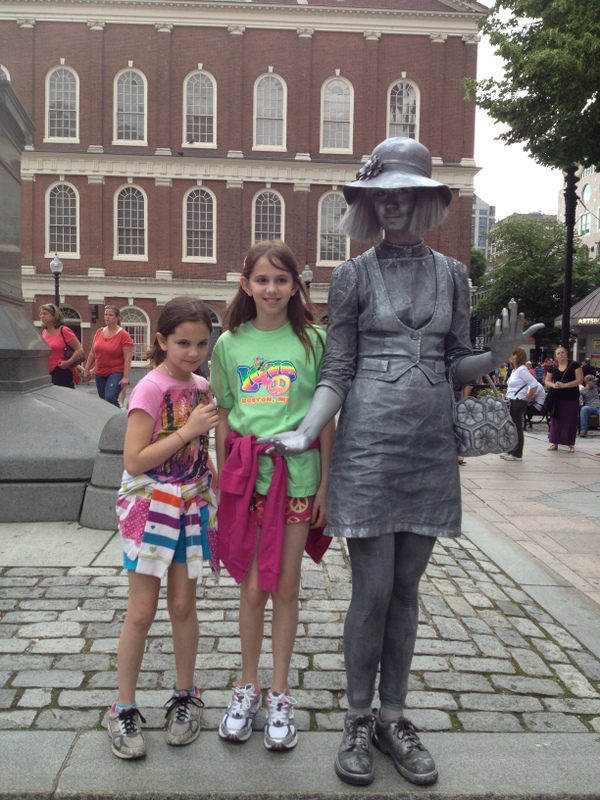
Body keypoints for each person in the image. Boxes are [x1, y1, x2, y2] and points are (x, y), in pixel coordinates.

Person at [259, 138, 542, 788]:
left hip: (429, 447)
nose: (394, 205)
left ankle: (393, 716)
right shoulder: (353, 276)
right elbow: (338, 368)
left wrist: (496, 355)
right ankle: (358, 718)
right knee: (373, 591)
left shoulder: (453, 275)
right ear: (370, 203)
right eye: (383, 195)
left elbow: (457, 364)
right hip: (367, 446)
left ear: (424, 201)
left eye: (406, 193)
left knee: (408, 590)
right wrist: (307, 430)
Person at [210, 240, 335, 752]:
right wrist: (223, 479)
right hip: (247, 479)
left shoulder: (314, 341)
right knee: (251, 587)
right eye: (262, 279)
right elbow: (223, 415)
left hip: (298, 480)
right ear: (246, 284)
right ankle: (248, 685)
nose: (271, 289)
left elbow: (326, 419)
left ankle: (280, 690)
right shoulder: (228, 344)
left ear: (295, 285)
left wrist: (325, 483)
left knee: (285, 586)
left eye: (282, 280)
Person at [109, 296, 219, 760]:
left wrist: (216, 484)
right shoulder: (150, 388)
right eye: (182, 343)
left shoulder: (202, 387)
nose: (192, 352)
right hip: (150, 508)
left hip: (189, 506)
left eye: (201, 344)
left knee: (183, 605)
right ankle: (123, 707)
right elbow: (135, 460)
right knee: (141, 611)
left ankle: (185, 695)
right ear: (161, 341)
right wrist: (188, 430)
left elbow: (199, 453)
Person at [83, 305, 134, 407]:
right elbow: (93, 352)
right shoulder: (99, 332)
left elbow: (127, 357)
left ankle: (118, 415)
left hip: (116, 371)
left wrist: (125, 377)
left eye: (110, 315)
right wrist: (87, 369)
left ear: (117, 317)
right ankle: (108, 417)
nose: (107, 317)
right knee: (103, 401)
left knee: (110, 397)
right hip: (100, 371)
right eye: (106, 315)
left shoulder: (123, 335)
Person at [501, 347, 545, 461]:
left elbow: (534, 384)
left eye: (514, 354)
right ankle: (511, 450)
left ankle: (517, 453)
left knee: (516, 427)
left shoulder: (522, 370)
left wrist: (527, 398)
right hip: (511, 400)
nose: (511, 356)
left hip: (517, 401)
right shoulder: (515, 370)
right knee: (511, 427)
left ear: (520, 357)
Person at [545, 346, 583, 452]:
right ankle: (555, 442)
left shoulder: (574, 365)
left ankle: (570, 443)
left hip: (571, 396)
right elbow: (547, 381)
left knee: (570, 420)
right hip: (556, 397)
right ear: (555, 356)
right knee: (556, 420)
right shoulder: (553, 367)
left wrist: (565, 385)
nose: (560, 354)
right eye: (558, 353)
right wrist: (553, 385)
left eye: (562, 352)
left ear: (566, 354)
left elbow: (579, 380)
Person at [39, 303, 84, 389]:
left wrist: (69, 362)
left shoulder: (64, 330)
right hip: (47, 371)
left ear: (54, 316)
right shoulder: (44, 332)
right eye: (41, 314)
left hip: (61, 370)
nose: (42, 316)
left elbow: (79, 349)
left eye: (45, 313)